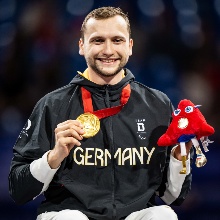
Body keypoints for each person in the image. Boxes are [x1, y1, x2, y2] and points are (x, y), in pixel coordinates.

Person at [9, 6, 193, 220]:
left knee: (163, 214)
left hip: (134, 215)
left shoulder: (158, 105)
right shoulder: (53, 105)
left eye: (117, 40)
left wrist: (180, 159)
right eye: (98, 41)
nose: (108, 50)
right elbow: (18, 190)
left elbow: (175, 198)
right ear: (81, 46)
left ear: (130, 46)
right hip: (70, 215)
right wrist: (53, 157)